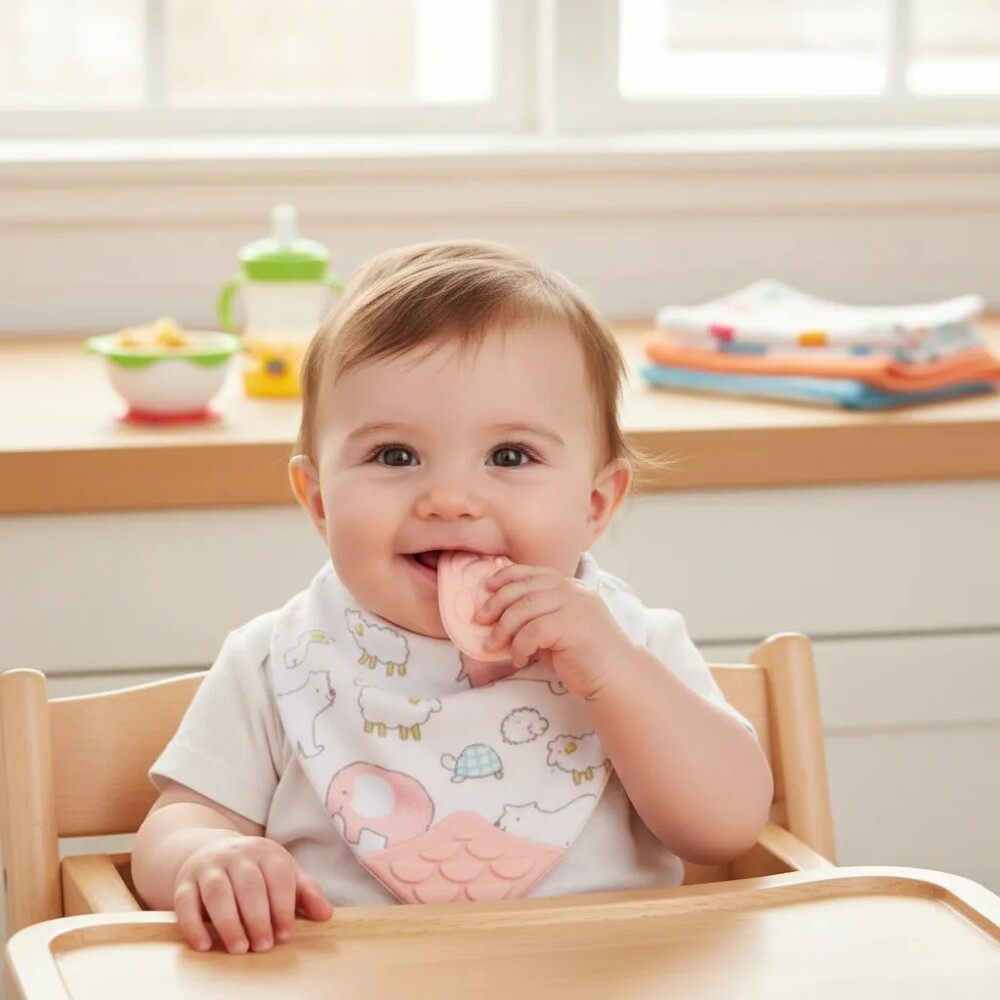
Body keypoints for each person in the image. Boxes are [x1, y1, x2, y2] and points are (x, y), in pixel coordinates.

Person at [132, 240, 773, 955]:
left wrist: (614, 673)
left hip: (602, 976)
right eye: (394, 456)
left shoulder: (629, 644)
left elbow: (728, 828)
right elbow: (180, 818)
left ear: (595, 504)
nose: (449, 499)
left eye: (510, 456)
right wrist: (205, 859)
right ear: (318, 500)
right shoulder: (275, 659)